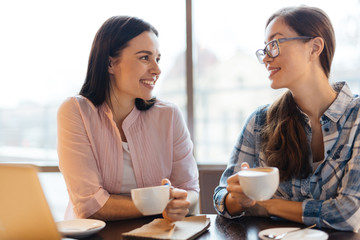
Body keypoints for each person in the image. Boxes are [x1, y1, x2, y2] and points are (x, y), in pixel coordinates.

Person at [213, 5, 360, 231]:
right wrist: (238, 199)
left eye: (275, 44)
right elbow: (222, 196)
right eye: (265, 49)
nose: (266, 59)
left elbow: (350, 213)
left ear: (314, 47)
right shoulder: (260, 121)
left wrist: (268, 206)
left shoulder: (357, 115)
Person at [57, 16, 199, 222]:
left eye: (157, 59)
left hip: (160, 234)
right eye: (144, 58)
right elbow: (90, 205)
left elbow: (190, 190)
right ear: (110, 63)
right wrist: (159, 205)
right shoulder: (74, 111)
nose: (157, 70)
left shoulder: (169, 115)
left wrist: (181, 202)